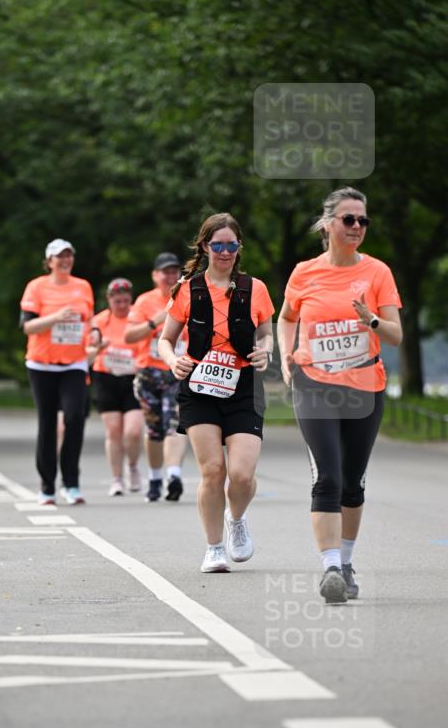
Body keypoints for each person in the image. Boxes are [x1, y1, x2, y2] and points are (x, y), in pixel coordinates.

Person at [277, 187, 403, 603]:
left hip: (365, 386)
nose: (356, 228)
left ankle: (346, 562)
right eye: (348, 219)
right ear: (328, 224)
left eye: (363, 221)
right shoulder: (304, 272)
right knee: (327, 476)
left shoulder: (378, 273)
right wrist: (287, 357)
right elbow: (286, 317)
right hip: (315, 383)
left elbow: (396, 335)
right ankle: (330, 567)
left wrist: (369, 320)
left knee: (353, 482)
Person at [158, 213, 274, 572]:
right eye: (218, 244)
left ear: (239, 247)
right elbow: (166, 339)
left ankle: (236, 519)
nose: (225, 252)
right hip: (199, 385)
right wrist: (172, 361)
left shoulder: (255, 288)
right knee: (212, 470)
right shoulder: (186, 289)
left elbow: (267, 333)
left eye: (232, 245)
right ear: (205, 246)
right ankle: (213, 548)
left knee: (241, 474)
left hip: (243, 387)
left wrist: (266, 349)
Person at [20, 239, 94, 505]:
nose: (65, 260)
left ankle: (71, 482)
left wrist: (94, 334)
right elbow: (27, 327)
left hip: (74, 363)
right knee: (47, 423)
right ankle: (47, 486)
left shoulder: (83, 286)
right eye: (59, 256)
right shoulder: (36, 287)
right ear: (49, 261)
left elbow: (90, 318)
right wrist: (56, 317)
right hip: (41, 364)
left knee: (75, 417)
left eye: (69, 256)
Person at [124, 252, 188, 502]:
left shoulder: (188, 297)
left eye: (175, 272)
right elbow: (129, 337)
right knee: (154, 430)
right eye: (166, 272)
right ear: (155, 276)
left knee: (174, 424)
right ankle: (154, 477)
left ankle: (174, 475)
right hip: (149, 372)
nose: (170, 276)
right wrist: (155, 322)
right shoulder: (144, 302)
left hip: (178, 369)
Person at [89, 278, 144, 496]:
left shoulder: (137, 318)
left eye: (125, 300)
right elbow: (88, 350)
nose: (121, 305)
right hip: (107, 377)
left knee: (132, 431)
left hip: (133, 377)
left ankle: (132, 466)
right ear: (109, 300)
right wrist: (98, 346)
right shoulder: (100, 320)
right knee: (113, 431)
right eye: (117, 300)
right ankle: (116, 478)